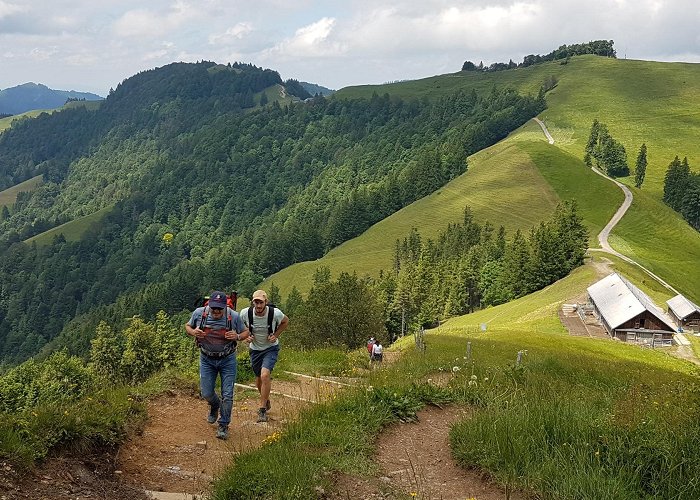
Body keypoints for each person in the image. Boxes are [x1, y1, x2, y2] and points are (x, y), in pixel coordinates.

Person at [185, 291, 249, 440]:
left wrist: (237, 336)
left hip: (228, 359)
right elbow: (187, 326)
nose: (216, 311)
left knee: (228, 394)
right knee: (206, 393)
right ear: (210, 306)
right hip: (206, 359)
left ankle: (223, 425)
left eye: (219, 309)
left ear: (224, 307)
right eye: (214, 308)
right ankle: (215, 405)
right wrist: (194, 332)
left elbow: (246, 332)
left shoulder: (233, 316)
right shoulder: (199, 313)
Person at [241, 289, 289, 423]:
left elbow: (286, 321)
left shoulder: (275, 313)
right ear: (252, 303)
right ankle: (266, 399)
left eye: (261, 302)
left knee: (265, 375)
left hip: (270, 348)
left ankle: (262, 410)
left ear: (266, 302)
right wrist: (246, 336)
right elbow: (238, 326)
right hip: (255, 349)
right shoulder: (245, 313)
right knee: (258, 379)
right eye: (256, 302)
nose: (258, 306)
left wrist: (276, 335)